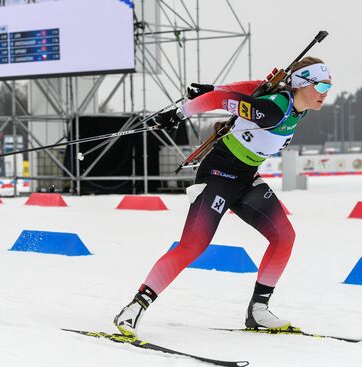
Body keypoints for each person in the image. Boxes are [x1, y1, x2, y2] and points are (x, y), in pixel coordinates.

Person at [114, 56, 332, 336]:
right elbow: (220, 101)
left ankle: (258, 311)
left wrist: (212, 86)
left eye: (329, 87)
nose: (326, 94)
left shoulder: (292, 106)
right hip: (218, 175)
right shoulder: (272, 110)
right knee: (192, 246)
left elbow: (251, 86)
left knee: (284, 236)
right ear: (302, 83)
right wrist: (181, 112)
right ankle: (134, 307)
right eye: (322, 86)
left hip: (246, 178)